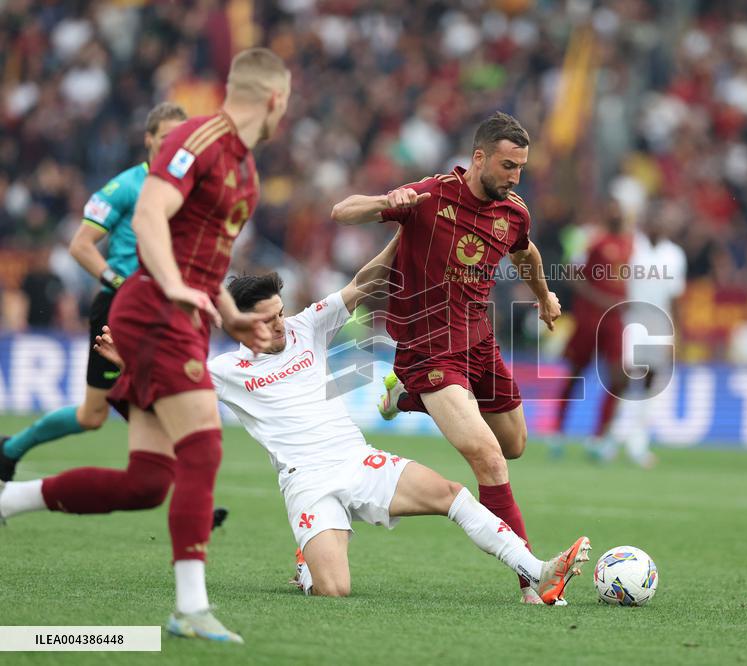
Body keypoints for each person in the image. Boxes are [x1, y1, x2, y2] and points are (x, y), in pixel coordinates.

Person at [94, 236, 590, 603]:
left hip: (355, 459)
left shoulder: (306, 326)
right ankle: (309, 566)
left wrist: (404, 230)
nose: (279, 324)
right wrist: (128, 359)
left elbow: (363, 282)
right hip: (306, 482)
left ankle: (537, 570)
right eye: (266, 319)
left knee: (451, 494)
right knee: (334, 591)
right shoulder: (227, 371)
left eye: (280, 312)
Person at [0, 48, 291, 642]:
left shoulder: (246, 169)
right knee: (204, 448)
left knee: (147, 483)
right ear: (275, 99)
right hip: (155, 309)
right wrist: (174, 284)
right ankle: (190, 607)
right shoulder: (198, 138)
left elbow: (206, 261)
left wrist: (231, 317)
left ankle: (7, 501)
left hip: (184, 314)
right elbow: (149, 216)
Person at [330, 111, 562, 603]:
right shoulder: (429, 197)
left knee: (515, 444)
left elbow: (526, 254)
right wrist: (385, 201)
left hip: (479, 342)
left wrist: (543, 297)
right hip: (429, 349)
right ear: (479, 157)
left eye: (521, 167)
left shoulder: (513, 212)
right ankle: (532, 579)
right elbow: (342, 212)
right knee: (489, 459)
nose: (515, 177)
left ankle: (406, 397)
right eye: (507, 166)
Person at [0, 103, 188, 482]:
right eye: (167, 138)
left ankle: (9, 450)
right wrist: (120, 282)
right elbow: (81, 245)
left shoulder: (190, 187)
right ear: (149, 139)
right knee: (99, 414)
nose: (173, 147)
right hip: (121, 308)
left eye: (181, 140)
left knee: (122, 410)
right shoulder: (125, 186)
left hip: (164, 308)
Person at [555, 201, 633, 453]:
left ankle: (599, 437)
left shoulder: (631, 244)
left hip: (614, 320)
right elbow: (571, 273)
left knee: (619, 377)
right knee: (576, 374)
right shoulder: (592, 240)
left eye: (619, 211)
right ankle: (558, 431)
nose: (616, 215)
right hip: (589, 318)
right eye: (612, 211)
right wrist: (600, 299)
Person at [612, 205, 687, 467]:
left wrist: (677, 333)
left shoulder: (675, 255)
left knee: (650, 382)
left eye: (661, 223)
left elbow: (675, 297)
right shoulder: (633, 247)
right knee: (623, 377)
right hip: (631, 317)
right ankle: (612, 437)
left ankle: (637, 442)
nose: (657, 227)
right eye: (653, 222)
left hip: (659, 321)